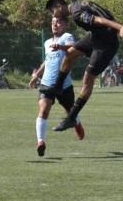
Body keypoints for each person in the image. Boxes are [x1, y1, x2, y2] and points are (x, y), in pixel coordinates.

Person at [42, 0, 123, 132]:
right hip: (96, 37)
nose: (54, 15)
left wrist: (119, 27)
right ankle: (57, 87)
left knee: (88, 78)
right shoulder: (78, 4)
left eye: (53, 12)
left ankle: (71, 118)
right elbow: (104, 12)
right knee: (69, 53)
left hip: (106, 45)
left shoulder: (76, 13)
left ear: (59, 6)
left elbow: (99, 19)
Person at [28, 16, 84, 157]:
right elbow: (47, 60)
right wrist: (37, 75)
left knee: (70, 112)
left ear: (65, 25)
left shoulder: (67, 37)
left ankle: (76, 122)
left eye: (58, 22)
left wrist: (60, 47)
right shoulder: (47, 42)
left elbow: (73, 48)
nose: (55, 24)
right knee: (44, 109)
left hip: (64, 84)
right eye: (52, 22)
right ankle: (41, 142)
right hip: (47, 84)